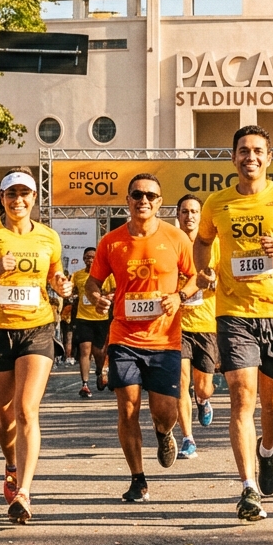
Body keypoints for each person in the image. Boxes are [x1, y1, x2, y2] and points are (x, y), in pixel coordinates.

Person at [193, 126, 273, 522]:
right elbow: (201, 242)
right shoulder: (217, 203)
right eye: (243, 151)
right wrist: (206, 270)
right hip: (233, 313)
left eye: (257, 151)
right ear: (233, 158)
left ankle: (267, 451)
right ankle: (248, 488)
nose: (250, 157)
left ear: (269, 158)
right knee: (241, 397)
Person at [0, 169, 71, 524]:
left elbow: (55, 276)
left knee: (26, 409)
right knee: (5, 415)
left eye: (25, 193)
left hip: (36, 328)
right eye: (11, 194)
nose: (18, 200)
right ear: (3, 198)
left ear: (34, 198)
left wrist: (62, 287)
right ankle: (10, 465)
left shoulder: (49, 237)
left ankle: (23, 491)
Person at [87, 174, 195, 503]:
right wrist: (96, 298)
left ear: (160, 202)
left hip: (164, 341)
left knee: (165, 411)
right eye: (137, 194)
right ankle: (138, 478)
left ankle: (164, 434)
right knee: (128, 408)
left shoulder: (177, 238)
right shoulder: (111, 241)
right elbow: (92, 283)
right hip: (123, 337)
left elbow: (195, 278)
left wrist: (179, 296)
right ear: (128, 200)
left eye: (151, 195)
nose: (143, 200)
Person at [175, 195, 217, 459]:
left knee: (203, 386)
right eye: (184, 211)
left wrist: (213, 281)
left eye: (194, 211)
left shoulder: (215, 244)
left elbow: (227, 275)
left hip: (207, 323)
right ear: (177, 215)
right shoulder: (170, 242)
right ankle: (188, 438)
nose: (189, 216)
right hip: (176, 324)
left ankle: (203, 400)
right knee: (181, 383)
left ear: (201, 216)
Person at [70, 246, 110, 398]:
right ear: (83, 259)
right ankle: (85, 384)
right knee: (84, 350)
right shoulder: (77, 275)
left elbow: (115, 289)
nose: (89, 260)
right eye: (87, 257)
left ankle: (100, 371)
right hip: (83, 318)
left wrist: (108, 296)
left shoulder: (107, 275)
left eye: (93, 257)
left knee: (98, 352)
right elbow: (71, 291)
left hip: (101, 318)